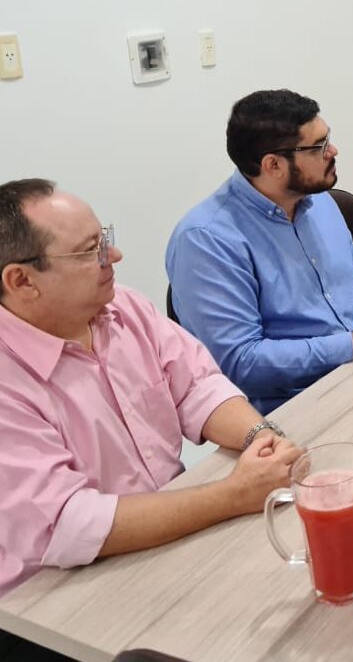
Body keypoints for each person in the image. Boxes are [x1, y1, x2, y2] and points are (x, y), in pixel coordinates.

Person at [0, 180, 303, 600]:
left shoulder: (122, 308)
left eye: (104, 239)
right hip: (56, 595)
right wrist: (233, 495)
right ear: (21, 281)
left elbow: (198, 386)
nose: (115, 257)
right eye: (90, 251)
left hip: (168, 531)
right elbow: (69, 523)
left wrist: (260, 438)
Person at [166, 90, 353, 413]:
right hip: (291, 410)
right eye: (319, 147)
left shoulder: (319, 201)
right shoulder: (206, 240)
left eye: (328, 139)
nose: (332, 151)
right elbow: (240, 364)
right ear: (274, 165)